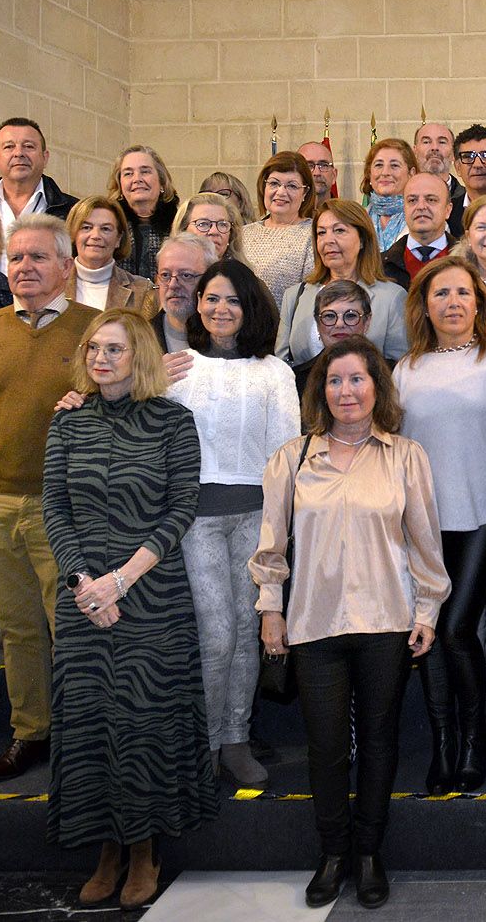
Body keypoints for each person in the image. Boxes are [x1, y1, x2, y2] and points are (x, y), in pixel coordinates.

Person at [253, 339, 449, 910]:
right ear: (321, 391)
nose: (346, 391)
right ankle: (333, 851)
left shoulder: (406, 456)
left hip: (387, 620)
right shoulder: (290, 458)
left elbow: (425, 544)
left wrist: (428, 610)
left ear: (376, 387)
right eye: (334, 381)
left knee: (381, 741)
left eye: (357, 379)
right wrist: (271, 609)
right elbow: (272, 546)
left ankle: (368, 853)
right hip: (313, 624)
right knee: (327, 745)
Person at [43, 310, 215, 908]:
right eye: (93, 348)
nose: (100, 358)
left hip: (151, 593)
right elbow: (55, 509)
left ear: (139, 355)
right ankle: (105, 849)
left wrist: (121, 581)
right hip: (82, 597)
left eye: (114, 349)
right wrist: (84, 584)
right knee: (91, 723)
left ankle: (144, 849)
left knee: (142, 722)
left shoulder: (173, 420)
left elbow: (181, 508)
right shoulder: (67, 422)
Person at [0, 215, 98, 782]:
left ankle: (84, 739)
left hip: (69, 508)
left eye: (37, 258)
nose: (25, 268)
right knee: (19, 629)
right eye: (16, 258)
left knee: (74, 628)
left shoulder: (96, 330)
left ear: (66, 266)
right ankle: (32, 733)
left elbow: (125, 407)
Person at [394, 257, 486, 793]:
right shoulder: (406, 368)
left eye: (461, 293)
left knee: (453, 630)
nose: (451, 302)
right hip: (424, 525)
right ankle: (443, 745)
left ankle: (474, 739)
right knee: (427, 636)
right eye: (440, 294)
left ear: (479, 302)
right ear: (424, 306)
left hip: (484, 517)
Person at [171, 261, 299, 788]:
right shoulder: (176, 367)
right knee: (216, 633)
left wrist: (281, 529)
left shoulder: (274, 372)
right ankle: (201, 745)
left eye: (232, 300)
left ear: (250, 308)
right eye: (211, 298)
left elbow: (287, 453)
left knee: (248, 632)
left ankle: (235, 739)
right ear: (197, 304)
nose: (220, 309)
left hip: (256, 518)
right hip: (195, 520)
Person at [276, 199, 410, 366]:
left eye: (339, 230)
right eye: (321, 233)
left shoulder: (393, 297)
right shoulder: (295, 295)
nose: (328, 240)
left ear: (362, 239)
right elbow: (281, 366)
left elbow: (399, 368)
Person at [243, 151, 318, 306]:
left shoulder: (314, 234)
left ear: (305, 193)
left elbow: (311, 296)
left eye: (292, 186)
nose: (281, 192)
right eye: (274, 183)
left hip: (289, 326)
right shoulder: (243, 233)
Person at [0, 118, 78, 243]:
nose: (18, 153)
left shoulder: (73, 212)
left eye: (28, 146)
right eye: (9, 146)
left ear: (45, 158)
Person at [63, 196, 155, 311]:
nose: (96, 235)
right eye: (86, 227)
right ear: (73, 234)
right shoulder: (51, 284)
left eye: (105, 229)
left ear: (118, 239)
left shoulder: (142, 290)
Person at [108, 145, 180, 281]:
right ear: (120, 185)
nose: (137, 179)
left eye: (145, 171)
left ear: (162, 182)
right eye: (128, 173)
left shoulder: (180, 226)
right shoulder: (110, 226)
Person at [292, 280, 373, 395]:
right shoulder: (296, 381)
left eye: (350, 315)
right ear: (318, 323)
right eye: (329, 316)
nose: (339, 324)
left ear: (367, 322)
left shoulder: (391, 375)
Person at [381, 172, 456, 290]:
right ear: (404, 208)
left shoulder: (469, 263)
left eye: (431, 199)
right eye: (412, 200)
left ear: (448, 210)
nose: (421, 206)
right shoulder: (379, 267)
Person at [148, 233, 218, 353]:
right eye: (165, 275)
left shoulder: (229, 336)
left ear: (210, 279)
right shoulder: (139, 338)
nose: (172, 285)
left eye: (186, 275)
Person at [361, 136, 417, 250]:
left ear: (411, 173)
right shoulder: (357, 220)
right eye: (379, 165)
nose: (385, 172)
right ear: (369, 174)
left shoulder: (424, 217)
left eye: (394, 165)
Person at [411, 121, 466, 229]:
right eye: (426, 142)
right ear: (415, 151)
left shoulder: (467, 202)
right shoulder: (401, 200)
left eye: (442, 142)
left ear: (454, 153)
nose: (434, 147)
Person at [173, 191, 246, 261]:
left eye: (222, 224)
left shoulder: (242, 273)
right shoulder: (169, 272)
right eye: (203, 224)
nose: (214, 231)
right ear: (182, 231)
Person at [297, 139, 338, 205]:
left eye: (323, 165)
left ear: (334, 175)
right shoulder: (283, 214)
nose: (317, 173)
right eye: (309, 166)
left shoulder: (346, 215)